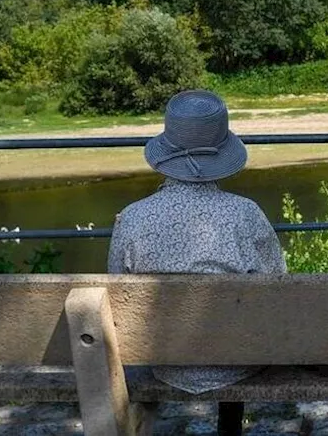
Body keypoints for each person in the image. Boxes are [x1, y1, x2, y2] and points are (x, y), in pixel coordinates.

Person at [107, 89, 286, 436]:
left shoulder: (131, 218)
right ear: (222, 151)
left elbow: (117, 293)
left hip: (164, 360)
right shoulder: (246, 214)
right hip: (238, 360)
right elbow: (277, 288)